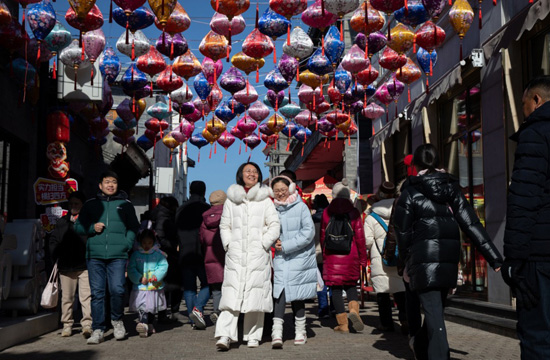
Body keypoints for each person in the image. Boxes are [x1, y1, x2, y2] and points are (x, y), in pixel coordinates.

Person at [393, 144, 502, 360]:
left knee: (435, 317)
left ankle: (434, 353)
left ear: (415, 165)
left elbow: (402, 232)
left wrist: (405, 261)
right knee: (435, 313)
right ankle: (422, 347)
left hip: (422, 262)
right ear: (438, 162)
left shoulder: (410, 193)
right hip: (448, 260)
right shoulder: (452, 189)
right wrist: (494, 256)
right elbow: (472, 224)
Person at [502, 76, 550, 359]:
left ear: (536, 100)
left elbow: (523, 200)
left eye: (523, 104)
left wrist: (513, 260)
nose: (523, 111)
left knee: (538, 337)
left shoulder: (536, 133)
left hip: (540, 257)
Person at [215, 162, 280, 351]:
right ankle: (225, 335)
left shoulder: (265, 199)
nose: (252, 174)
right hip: (235, 254)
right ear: (240, 175)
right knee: (230, 295)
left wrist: (263, 244)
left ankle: (252, 336)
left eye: (255, 171)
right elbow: (224, 225)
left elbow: (274, 225)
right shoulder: (231, 199)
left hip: (258, 255)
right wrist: (228, 244)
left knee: (255, 296)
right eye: (248, 171)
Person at [74, 170, 140, 345]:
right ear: (100, 185)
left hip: (118, 255)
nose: (111, 185)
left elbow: (134, 227)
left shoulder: (125, 204)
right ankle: (98, 329)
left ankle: (117, 322)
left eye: (114, 182)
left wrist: (126, 244)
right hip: (94, 255)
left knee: (117, 289)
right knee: (97, 293)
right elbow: (78, 227)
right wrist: (91, 228)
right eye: (107, 182)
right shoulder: (90, 205)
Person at [270, 175, 316, 348]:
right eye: (276, 191)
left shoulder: (301, 207)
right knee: (279, 293)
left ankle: (300, 331)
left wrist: (287, 245)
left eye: (283, 190)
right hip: (281, 257)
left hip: (299, 257)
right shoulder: (272, 208)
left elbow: (308, 232)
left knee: (298, 295)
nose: (280, 194)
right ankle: (277, 333)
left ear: (290, 189)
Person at [320, 178, 368, 333]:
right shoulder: (354, 212)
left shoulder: (327, 212)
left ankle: (342, 324)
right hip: (351, 254)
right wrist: (363, 259)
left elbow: (322, 236)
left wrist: (324, 253)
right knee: (351, 286)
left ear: (333, 195)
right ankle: (354, 311)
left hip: (332, 255)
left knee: (335, 290)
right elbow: (360, 238)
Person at [364, 182, 407, 333]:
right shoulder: (402, 210)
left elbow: (367, 241)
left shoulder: (371, 217)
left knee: (383, 294)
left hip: (380, 259)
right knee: (401, 291)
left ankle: (387, 324)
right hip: (400, 257)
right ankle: (405, 320)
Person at [49, 191, 92, 338]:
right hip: (66, 266)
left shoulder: (88, 222)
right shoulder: (62, 222)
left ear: (82, 205)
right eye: (71, 204)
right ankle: (67, 324)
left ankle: (87, 324)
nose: (73, 206)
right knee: (67, 298)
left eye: (76, 204)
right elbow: (53, 241)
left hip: (84, 265)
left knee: (86, 297)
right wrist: (57, 255)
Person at [175, 181, 211, 329]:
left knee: (189, 288)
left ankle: (192, 319)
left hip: (185, 252)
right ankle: (198, 308)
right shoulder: (207, 209)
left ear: (190, 190)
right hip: (203, 252)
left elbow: (175, 229)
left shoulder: (181, 209)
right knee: (209, 283)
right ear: (204, 191)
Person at [127, 229, 169, 338]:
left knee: (151, 307)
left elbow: (163, 266)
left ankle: (149, 323)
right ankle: (143, 323)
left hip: (153, 287)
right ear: (140, 242)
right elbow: (131, 268)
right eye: (144, 243)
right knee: (142, 307)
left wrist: (156, 276)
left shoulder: (158, 254)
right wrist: (139, 278)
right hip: (140, 287)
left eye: (149, 243)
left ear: (153, 242)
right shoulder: (136, 254)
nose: (147, 245)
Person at [149, 196, 180, 322]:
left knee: (161, 283)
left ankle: (159, 312)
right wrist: (174, 246)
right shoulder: (164, 216)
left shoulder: (157, 213)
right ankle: (163, 313)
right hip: (166, 253)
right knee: (169, 284)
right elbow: (161, 236)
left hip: (157, 253)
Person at [199, 190, 227, 325]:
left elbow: (202, 239)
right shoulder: (227, 215)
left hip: (210, 258)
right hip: (226, 257)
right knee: (229, 288)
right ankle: (225, 314)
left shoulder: (204, 219)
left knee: (216, 289)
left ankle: (217, 311)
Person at [312, 194, 331, 319]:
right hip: (330, 253)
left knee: (320, 283)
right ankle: (335, 308)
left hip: (316, 254)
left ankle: (323, 309)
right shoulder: (331, 217)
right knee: (332, 282)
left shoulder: (312, 219)